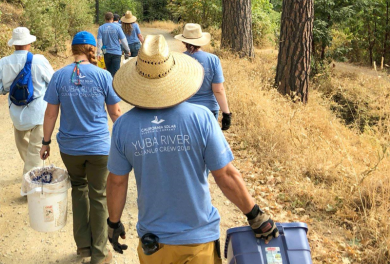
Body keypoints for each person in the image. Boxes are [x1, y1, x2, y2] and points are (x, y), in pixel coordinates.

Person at [106, 35, 278, 264]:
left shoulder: (123, 127)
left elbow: (117, 181)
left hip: (154, 244)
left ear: (138, 78)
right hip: (198, 242)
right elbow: (225, 175)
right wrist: (255, 216)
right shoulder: (202, 118)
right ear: (174, 74)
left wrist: (113, 223)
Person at [40, 31, 122, 264]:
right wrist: (126, 137)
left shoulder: (59, 76)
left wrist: (45, 142)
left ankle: (83, 247)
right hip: (98, 147)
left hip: (70, 148)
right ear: (91, 49)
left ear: (73, 49)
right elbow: (115, 112)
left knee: (78, 189)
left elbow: (50, 112)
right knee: (99, 196)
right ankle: (99, 253)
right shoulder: (103, 75)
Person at [0, 27, 54, 176]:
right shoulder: (38, 60)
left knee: (26, 151)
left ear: (14, 44)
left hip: (17, 115)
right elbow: (53, 82)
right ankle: (32, 183)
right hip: (39, 113)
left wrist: (7, 89)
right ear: (29, 43)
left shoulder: (4, 63)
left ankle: (34, 173)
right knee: (36, 151)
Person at [175, 23, 232, 130]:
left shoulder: (178, 60)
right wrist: (226, 114)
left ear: (183, 41)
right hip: (209, 109)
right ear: (201, 41)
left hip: (185, 110)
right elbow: (218, 90)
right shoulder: (213, 59)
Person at [97, 12, 131, 77]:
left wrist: (98, 53)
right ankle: (115, 86)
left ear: (105, 19)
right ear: (112, 18)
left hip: (106, 53)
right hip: (116, 53)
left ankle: (109, 85)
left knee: (108, 72)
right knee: (116, 72)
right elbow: (124, 40)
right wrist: (127, 50)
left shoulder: (101, 28)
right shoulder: (118, 28)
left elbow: (99, 42)